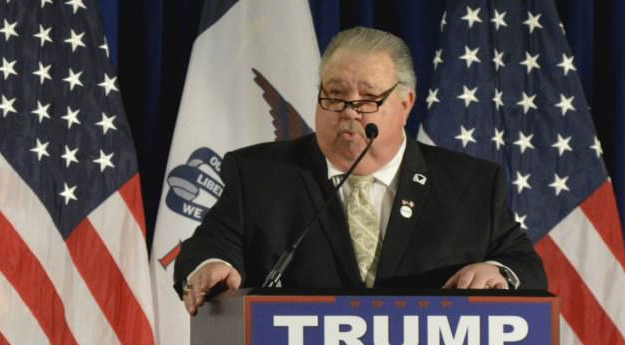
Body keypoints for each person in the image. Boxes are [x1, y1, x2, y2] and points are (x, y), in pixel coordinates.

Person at [175, 27, 547, 313]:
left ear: (406, 103)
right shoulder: (259, 175)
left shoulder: (470, 185)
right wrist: (211, 266)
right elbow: (207, 248)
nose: (350, 111)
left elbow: (524, 264)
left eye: (368, 99)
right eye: (335, 95)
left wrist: (498, 271)